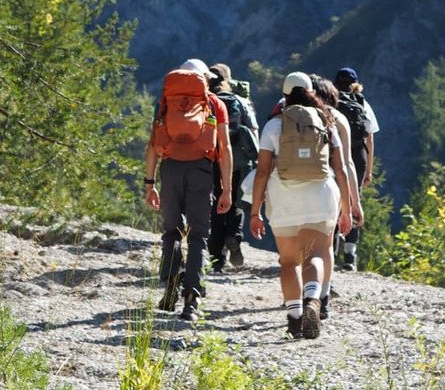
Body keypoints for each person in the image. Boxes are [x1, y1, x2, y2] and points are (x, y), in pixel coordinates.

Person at [250, 72, 353, 339]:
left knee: (288, 261)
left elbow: (262, 172)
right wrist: (347, 207)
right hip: (320, 197)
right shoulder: (326, 122)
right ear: (311, 93)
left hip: (284, 201)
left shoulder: (274, 126)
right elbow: (341, 169)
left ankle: (295, 318)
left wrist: (255, 211)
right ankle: (312, 300)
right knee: (314, 254)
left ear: (284, 95)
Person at [144, 58, 233, 321]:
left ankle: (170, 288)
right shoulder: (215, 104)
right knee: (198, 236)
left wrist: (150, 184)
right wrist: (227, 189)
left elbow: (153, 145)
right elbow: (225, 148)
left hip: (170, 169)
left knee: (171, 232)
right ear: (205, 79)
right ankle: (192, 300)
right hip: (201, 171)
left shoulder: (165, 102)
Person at [310, 74, 364, 318]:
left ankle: (302, 294)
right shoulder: (337, 118)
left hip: (294, 187)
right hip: (328, 188)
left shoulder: (288, 115)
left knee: (303, 242)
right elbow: (347, 165)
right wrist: (353, 202)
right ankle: (323, 296)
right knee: (327, 244)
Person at [206, 63, 259, 273]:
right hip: (237, 162)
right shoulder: (240, 101)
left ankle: (216, 259)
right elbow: (253, 130)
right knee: (236, 201)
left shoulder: (206, 101)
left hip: (211, 160)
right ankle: (233, 236)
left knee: (215, 206)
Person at [332, 67, 380, 271]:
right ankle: (350, 256)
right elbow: (370, 138)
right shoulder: (362, 103)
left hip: (334, 156)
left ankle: (331, 249)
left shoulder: (330, 101)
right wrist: (368, 170)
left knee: (334, 199)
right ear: (356, 84)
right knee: (353, 199)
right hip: (358, 156)